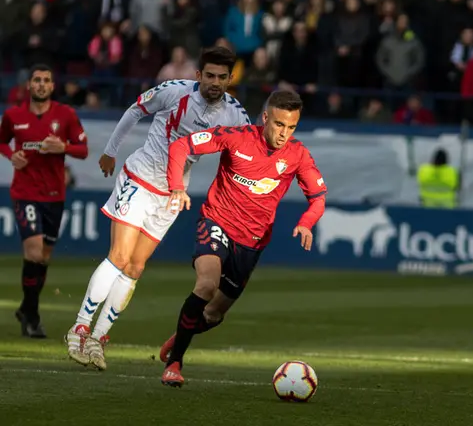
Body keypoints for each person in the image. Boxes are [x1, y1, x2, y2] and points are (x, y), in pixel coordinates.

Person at [65, 46, 251, 370]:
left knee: (136, 267)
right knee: (119, 257)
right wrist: (111, 150)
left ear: (230, 79)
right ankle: (80, 326)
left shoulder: (235, 113)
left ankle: (98, 339)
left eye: (222, 77)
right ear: (198, 75)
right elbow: (137, 108)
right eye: (209, 75)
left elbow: (248, 151)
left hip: (172, 195)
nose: (215, 83)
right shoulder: (175, 91)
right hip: (141, 177)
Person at [158, 90, 327, 388]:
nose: (283, 133)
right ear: (265, 118)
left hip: (252, 241)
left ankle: (181, 334)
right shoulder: (236, 137)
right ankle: (175, 363)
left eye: (291, 128)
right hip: (217, 221)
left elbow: (317, 198)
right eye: (278, 125)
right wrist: (176, 186)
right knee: (207, 284)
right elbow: (182, 145)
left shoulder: (297, 155)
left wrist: (306, 223)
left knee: (212, 315)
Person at [0, 64, 89, 338]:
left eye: (46, 80)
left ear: (52, 86)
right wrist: (10, 155)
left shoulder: (66, 115)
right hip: (25, 192)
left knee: (44, 258)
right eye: (36, 80)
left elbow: (83, 150)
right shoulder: (14, 115)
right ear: (29, 85)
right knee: (35, 252)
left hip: (54, 195)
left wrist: (64, 148)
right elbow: (2, 141)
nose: (40, 84)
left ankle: (26, 307)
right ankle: (33, 317)